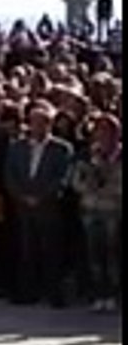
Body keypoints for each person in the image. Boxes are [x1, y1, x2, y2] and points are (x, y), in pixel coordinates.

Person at [5, 100, 73, 308]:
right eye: (34, 122)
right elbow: (10, 175)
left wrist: (42, 196)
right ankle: (28, 292)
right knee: (27, 250)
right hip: (23, 206)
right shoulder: (17, 147)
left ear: (49, 125)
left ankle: (54, 292)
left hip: (49, 206)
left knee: (51, 250)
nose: (37, 127)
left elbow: (63, 177)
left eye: (43, 123)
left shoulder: (61, 149)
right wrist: (21, 195)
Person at [70, 113, 121, 313]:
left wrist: (107, 182)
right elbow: (75, 181)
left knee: (112, 253)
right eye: (99, 130)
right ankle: (98, 292)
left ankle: (113, 293)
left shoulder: (119, 155)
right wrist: (88, 185)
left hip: (113, 209)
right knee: (94, 254)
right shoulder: (86, 155)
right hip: (90, 209)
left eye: (107, 131)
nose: (102, 135)